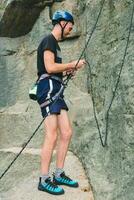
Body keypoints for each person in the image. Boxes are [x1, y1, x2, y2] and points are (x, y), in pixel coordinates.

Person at [36, 10, 86, 195]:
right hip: (47, 88)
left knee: (66, 132)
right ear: (62, 22)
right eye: (70, 26)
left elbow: (54, 69)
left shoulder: (55, 45)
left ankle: (58, 174)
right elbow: (49, 68)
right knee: (52, 134)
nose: (71, 29)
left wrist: (66, 71)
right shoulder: (49, 40)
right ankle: (43, 179)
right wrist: (72, 64)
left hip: (55, 87)